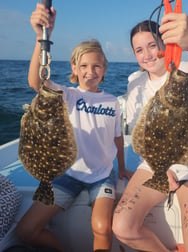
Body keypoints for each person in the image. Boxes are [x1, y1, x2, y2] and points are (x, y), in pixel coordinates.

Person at [15, 3, 132, 252]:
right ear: (74, 69)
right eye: (84, 66)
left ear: (104, 70)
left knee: (101, 227)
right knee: (25, 231)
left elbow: (118, 137)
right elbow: (36, 81)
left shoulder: (113, 101)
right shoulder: (65, 95)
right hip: (65, 173)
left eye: (96, 66)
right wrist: (41, 38)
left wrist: (121, 167)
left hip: (102, 175)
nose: (90, 72)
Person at [112, 11, 188, 252]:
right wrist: (160, 169)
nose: (147, 54)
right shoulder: (135, 83)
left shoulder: (185, 73)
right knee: (122, 227)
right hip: (154, 164)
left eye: (153, 45)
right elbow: (138, 132)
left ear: (166, 44)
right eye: (139, 50)